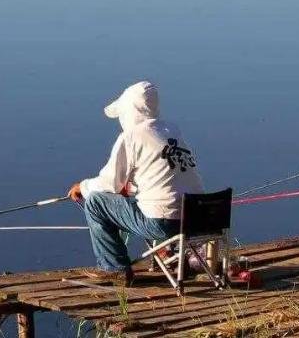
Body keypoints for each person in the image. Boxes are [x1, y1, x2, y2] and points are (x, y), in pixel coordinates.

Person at [67, 81, 203, 285]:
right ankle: (178, 255)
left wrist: (82, 187)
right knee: (130, 198)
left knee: (95, 202)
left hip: (164, 222)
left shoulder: (131, 136)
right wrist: (131, 187)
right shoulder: (171, 130)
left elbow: (110, 183)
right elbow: (163, 176)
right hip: (197, 219)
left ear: (130, 112)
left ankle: (114, 268)